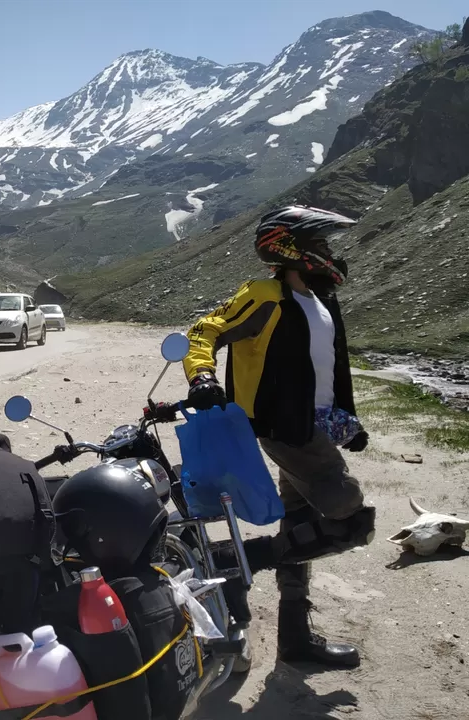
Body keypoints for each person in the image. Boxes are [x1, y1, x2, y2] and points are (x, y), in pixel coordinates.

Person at [181, 205, 376, 669]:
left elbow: (325, 371)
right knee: (348, 512)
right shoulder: (265, 293)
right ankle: (237, 559)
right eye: (323, 244)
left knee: (300, 520)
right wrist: (202, 376)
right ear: (294, 247)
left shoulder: (322, 298)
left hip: (314, 424)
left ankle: (293, 638)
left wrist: (347, 422)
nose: (331, 254)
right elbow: (204, 330)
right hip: (283, 424)